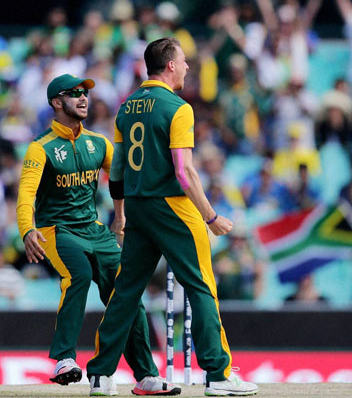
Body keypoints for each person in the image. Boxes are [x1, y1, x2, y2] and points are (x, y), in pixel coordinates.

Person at [85, 37, 258, 396]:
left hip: (137, 206)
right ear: (170, 65)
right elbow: (184, 171)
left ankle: (101, 375)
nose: (188, 67)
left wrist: (120, 214)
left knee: (126, 290)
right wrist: (211, 216)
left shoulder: (126, 108)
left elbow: (117, 169)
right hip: (172, 207)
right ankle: (218, 375)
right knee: (201, 285)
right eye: (184, 61)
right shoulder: (179, 108)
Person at [16, 74, 179, 394]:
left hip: (95, 230)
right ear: (56, 102)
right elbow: (26, 194)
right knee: (78, 275)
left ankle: (146, 376)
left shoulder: (98, 143)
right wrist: (27, 230)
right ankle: (64, 359)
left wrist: (120, 215)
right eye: (74, 93)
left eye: (85, 93)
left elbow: (120, 178)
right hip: (57, 230)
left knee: (128, 292)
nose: (83, 98)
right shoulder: (40, 148)